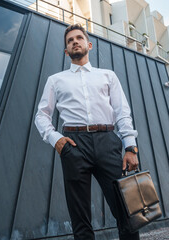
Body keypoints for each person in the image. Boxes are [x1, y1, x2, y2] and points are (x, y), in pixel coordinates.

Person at [35, 23, 139, 240]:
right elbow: (41, 115)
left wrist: (130, 147)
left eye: (78, 38)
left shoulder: (107, 76)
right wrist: (57, 140)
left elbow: (122, 111)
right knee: (79, 216)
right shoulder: (56, 80)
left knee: (125, 210)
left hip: (107, 141)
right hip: (73, 145)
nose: (75, 42)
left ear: (88, 44)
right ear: (66, 51)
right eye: (70, 40)